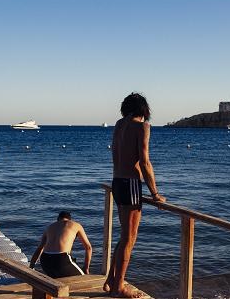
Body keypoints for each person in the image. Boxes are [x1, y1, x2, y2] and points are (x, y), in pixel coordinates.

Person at [104, 93, 166, 298]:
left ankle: (111, 280)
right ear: (144, 109)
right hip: (130, 183)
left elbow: (116, 154)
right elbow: (145, 161)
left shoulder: (119, 124)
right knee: (129, 239)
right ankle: (118, 288)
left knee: (123, 237)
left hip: (117, 182)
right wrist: (155, 193)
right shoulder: (142, 127)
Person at [29, 211, 92, 278]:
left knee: (59, 278)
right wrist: (86, 268)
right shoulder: (75, 225)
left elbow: (40, 248)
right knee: (83, 279)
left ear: (58, 219)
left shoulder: (49, 227)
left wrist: (31, 266)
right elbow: (88, 247)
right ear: (70, 219)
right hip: (61, 259)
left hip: (45, 261)